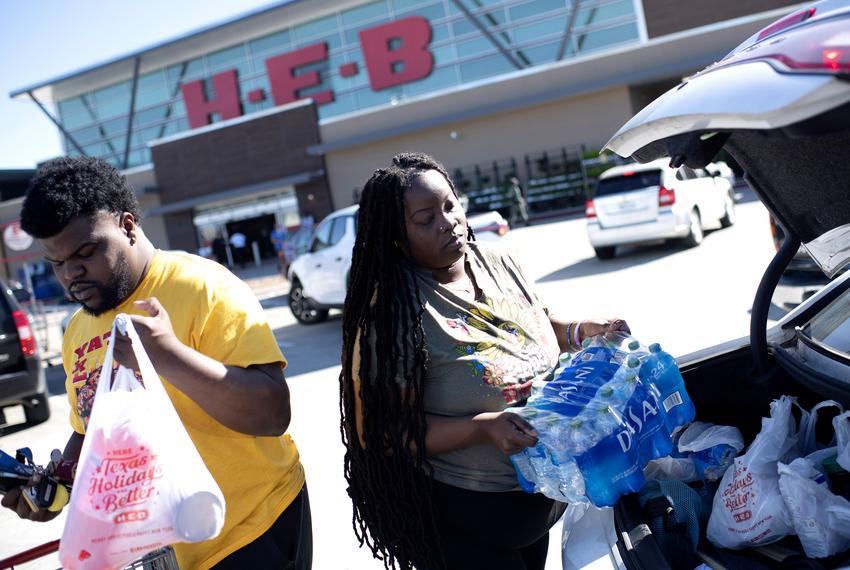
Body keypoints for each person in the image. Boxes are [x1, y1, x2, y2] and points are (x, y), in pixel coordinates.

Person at [2, 157, 312, 570]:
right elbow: (91, 432)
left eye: (86, 252)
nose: (71, 274)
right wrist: (54, 487)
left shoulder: (202, 286)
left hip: (252, 530)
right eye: (57, 263)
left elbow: (273, 413)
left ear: (128, 226)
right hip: (162, 553)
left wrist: (169, 356)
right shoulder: (78, 331)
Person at [339, 152, 628, 570]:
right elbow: (383, 433)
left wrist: (581, 331)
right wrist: (482, 429)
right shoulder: (393, 310)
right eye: (425, 219)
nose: (447, 222)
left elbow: (531, 325)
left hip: (539, 494)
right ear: (396, 236)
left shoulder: (496, 260)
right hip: (466, 519)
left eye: (449, 205)